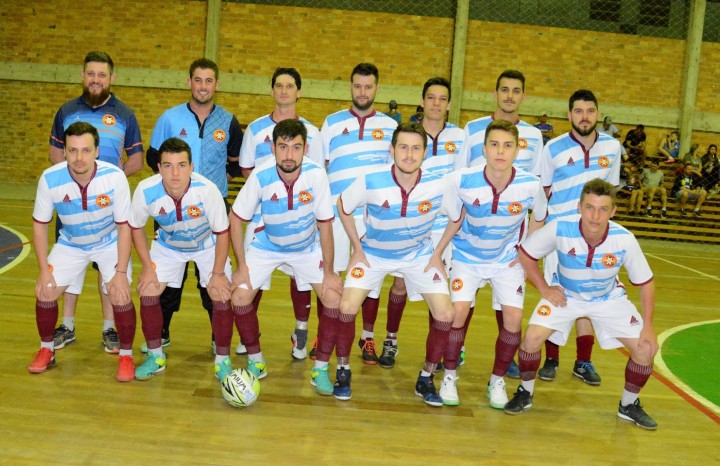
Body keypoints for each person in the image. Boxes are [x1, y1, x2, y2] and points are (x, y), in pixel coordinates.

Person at [313, 122, 453, 406]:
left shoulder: (439, 184)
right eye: (403, 147)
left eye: (416, 148)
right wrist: (357, 247)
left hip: (418, 256)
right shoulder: (371, 178)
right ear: (392, 150)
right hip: (373, 254)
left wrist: (437, 253)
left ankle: (426, 377)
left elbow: (457, 216)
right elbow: (343, 206)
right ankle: (343, 371)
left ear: (425, 153)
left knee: (445, 314)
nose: (409, 155)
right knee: (346, 306)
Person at [506, 179, 659, 431]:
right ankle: (525, 392)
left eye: (602, 209)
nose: (595, 216)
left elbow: (646, 283)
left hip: (608, 299)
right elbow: (526, 254)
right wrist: (544, 288)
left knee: (646, 349)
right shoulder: (560, 227)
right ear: (579, 207)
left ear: (613, 211)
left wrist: (649, 327)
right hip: (565, 296)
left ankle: (628, 405)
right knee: (531, 338)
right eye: (589, 207)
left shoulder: (624, 239)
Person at [429, 120, 547, 407]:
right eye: (494, 145)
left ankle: (497, 380)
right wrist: (438, 255)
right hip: (467, 258)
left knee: (513, 319)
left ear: (517, 150)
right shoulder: (460, 180)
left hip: (506, 260)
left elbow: (539, 217)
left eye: (507, 146)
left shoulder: (530, 185)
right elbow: (451, 217)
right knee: (457, 314)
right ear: (483, 149)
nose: (500, 152)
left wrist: (526, 251)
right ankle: (449, 376)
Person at [230, 119, 342, 381]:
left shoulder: (316, 175)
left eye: (296, 147)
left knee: (333, 297)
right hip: (267, 245)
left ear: (305, 149)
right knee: (240, 296)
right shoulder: (261, 175)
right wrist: (241, 267)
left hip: (306, 248)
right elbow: (235, 219)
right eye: (283, 147)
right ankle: (256, 361)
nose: (289, 154)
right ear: (273, 148)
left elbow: (325, 226)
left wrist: (329, 272)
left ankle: (320, 369)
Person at [144, 58, 243, 354]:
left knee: (213, 276)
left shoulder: (228, 121)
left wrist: (209, 187)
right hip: (171, 206)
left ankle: (217, 336)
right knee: (168, 276)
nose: (203, 86)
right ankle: (161, 332)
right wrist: (173, 184)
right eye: (198, 80)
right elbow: (153, 157)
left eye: (208, 81)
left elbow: (236, 163)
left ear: (217, 84)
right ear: (189, 82)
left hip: (213, 209)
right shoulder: (169, 118)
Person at [49, 51, 143, 354]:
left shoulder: (125, 114)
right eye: (91, 73)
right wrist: (76, 183)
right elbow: (55, 154)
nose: (95, 79)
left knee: (108, 265)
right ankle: (67, 325)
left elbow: (137, 159)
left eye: (102, 75)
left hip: (107, 208)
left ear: (112, 78)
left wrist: (108, 184)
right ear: (82, 75)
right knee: (71, 261)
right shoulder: (66, 111)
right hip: (72, 205)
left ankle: (109, 328)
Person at [366, 77, 464, 370]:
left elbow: (461, 180)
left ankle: (438, 352)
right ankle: (391, 339)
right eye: (431, 97)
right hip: (410, 219)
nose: (436, 103)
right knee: (399, 284)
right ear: (422, 101)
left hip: (442, 224)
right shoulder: (407, 134)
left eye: (442, 98)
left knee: (438, 287)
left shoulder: (460, 137)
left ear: (449, 104)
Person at [29, 122, 136, 382]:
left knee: (119, 292)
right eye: (73, 150)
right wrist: (43, 270)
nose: (79, 157)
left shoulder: (115, 177)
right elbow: (40, 225)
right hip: (71, 243)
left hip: (109, 242)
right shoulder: (50, 178)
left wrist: (121, 272)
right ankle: (47, 350)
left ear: (97, 151)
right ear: (64, 151)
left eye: (86, 150)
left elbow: (125, 228)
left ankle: (126, 355)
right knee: (45, 290)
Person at [456, 69, 544, 379]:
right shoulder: (472, 129)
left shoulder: (534, 136)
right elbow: (460, 177)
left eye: (516, 91)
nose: (509, 96)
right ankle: (456, 348)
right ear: (495, 94)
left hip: (508, 239)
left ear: (523, 96)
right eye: (504, 90)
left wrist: (528, 247)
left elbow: (535, 188)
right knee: (463, 300)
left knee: (507, 302)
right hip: (471, 234)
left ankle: (506, 360)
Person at [536, 89, 622, 384]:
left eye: (590, 111)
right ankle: (551, 359)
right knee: (556, 296)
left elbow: (610, 192)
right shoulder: (553, 148)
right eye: (578, 111)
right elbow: (543, 192)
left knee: (590, 297)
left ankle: (583, 362)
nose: (584, 117)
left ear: (598, 113)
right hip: (559, 236)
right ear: (569, 114)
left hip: (596, 237)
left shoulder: (612, 147)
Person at [130, 137, 232, 380]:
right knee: (148, 288)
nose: (175, 173)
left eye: (181, 165)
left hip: (207, 244)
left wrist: (218, 274)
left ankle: (223, 359)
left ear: (191, 167)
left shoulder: (207, 190)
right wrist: (147, 267)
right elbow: (135, 228)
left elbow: (222, 233)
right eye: (168, 166)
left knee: (220, 293)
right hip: (168, 246)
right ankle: (155, 356)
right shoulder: (145, 190)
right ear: (158, 167)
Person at [239, 67, 323, 361]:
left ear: (299, 92)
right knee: (254, 276)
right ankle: (249, 335)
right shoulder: (255, 129)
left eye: (290, 86)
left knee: (301, 276)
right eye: (279, 85)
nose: (284, 91)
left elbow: (317, 174)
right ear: (272, 90)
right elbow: (247, 170)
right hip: (263, 216)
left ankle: (301, 332)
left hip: (301, 218)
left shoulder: (313, 132)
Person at [320, 63, 398, 365]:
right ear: (350, 87)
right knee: (331, 275)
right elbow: (321, 166)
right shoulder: (331, 122)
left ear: (376, 88)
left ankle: (367, 337)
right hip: (336, 215)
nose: (362, 92)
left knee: (371, 281)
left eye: (368, 86)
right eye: (357, 86)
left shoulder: (390, 127)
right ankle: (325, 335)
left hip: (372, 217)